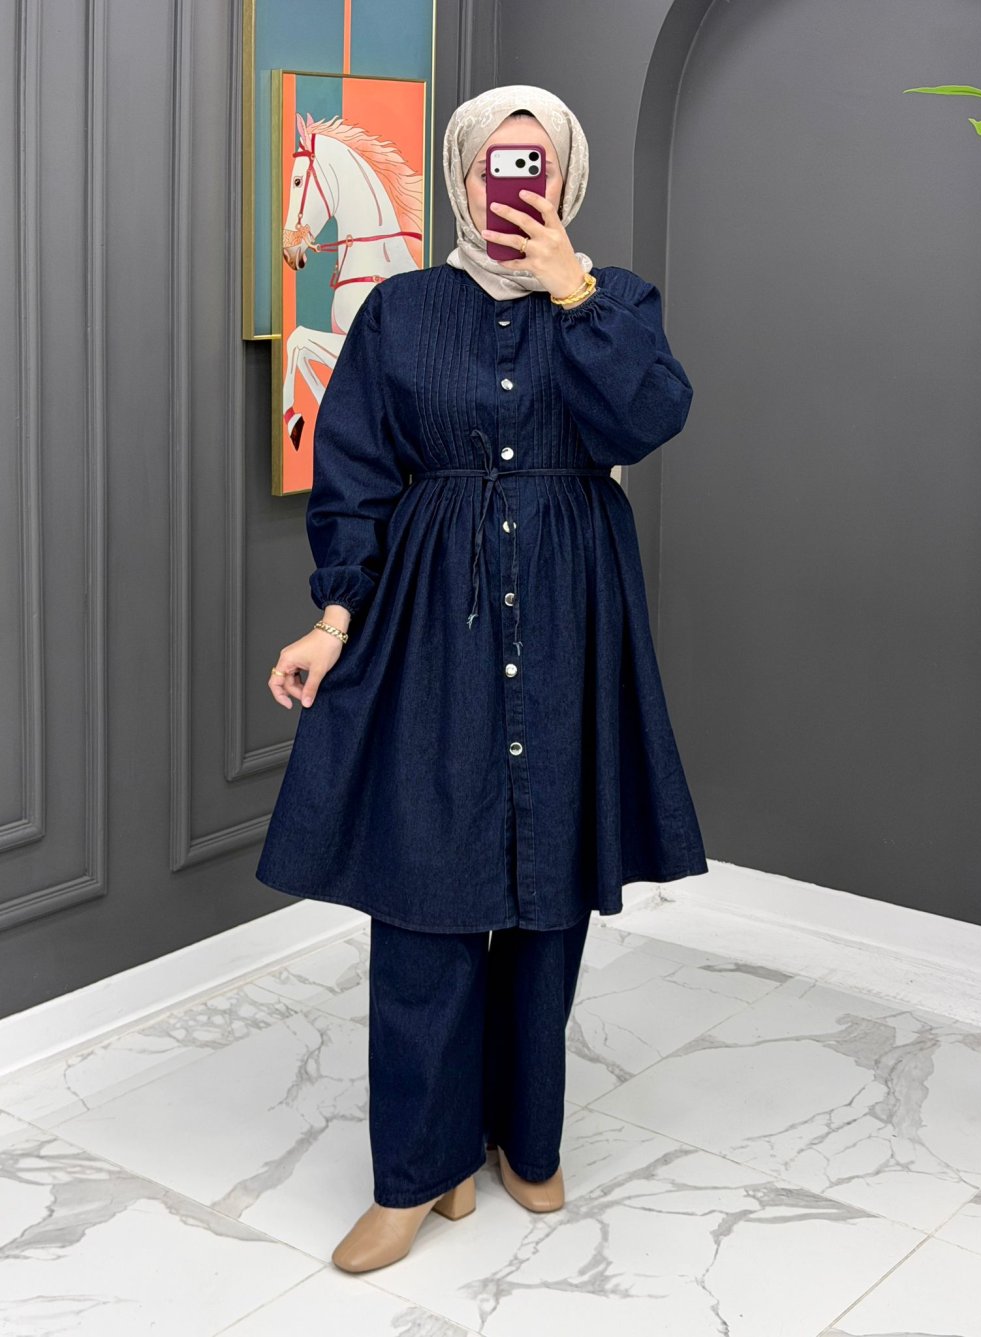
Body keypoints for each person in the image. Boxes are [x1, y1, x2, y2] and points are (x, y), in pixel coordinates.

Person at [255, 84, 708, 1273]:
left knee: (549, 892)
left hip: (570, 610)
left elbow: (650, 417)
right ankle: (419, 1169)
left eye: (532, 163)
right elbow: (354, 471)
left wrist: (575, 290)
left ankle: (523, 1135)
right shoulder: (401, 309)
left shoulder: (616, 301)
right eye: (489, 163)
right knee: (425, 891)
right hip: (430, 619)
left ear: (564, 176)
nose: (510, 183)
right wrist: (334, 618)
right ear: (459, 176)